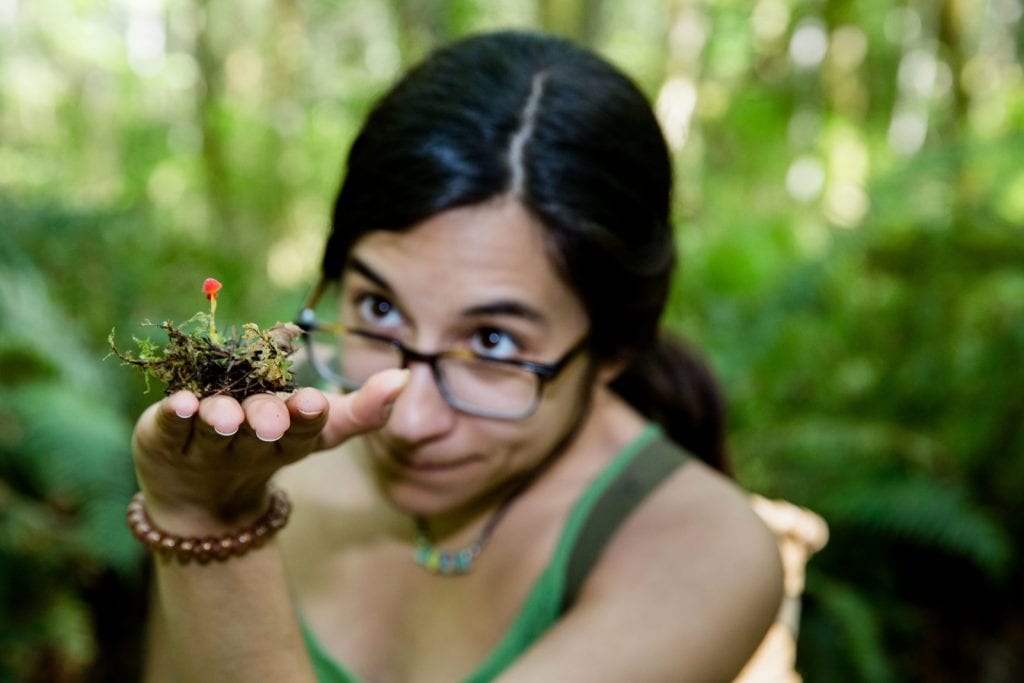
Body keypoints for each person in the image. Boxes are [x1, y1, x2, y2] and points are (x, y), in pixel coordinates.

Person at [132, 30, 784, 682]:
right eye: (380, 308)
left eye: (494, 342)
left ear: (613, 347)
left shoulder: (703, 552)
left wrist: (212, 525)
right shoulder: (258, 441)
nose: (409, 419)